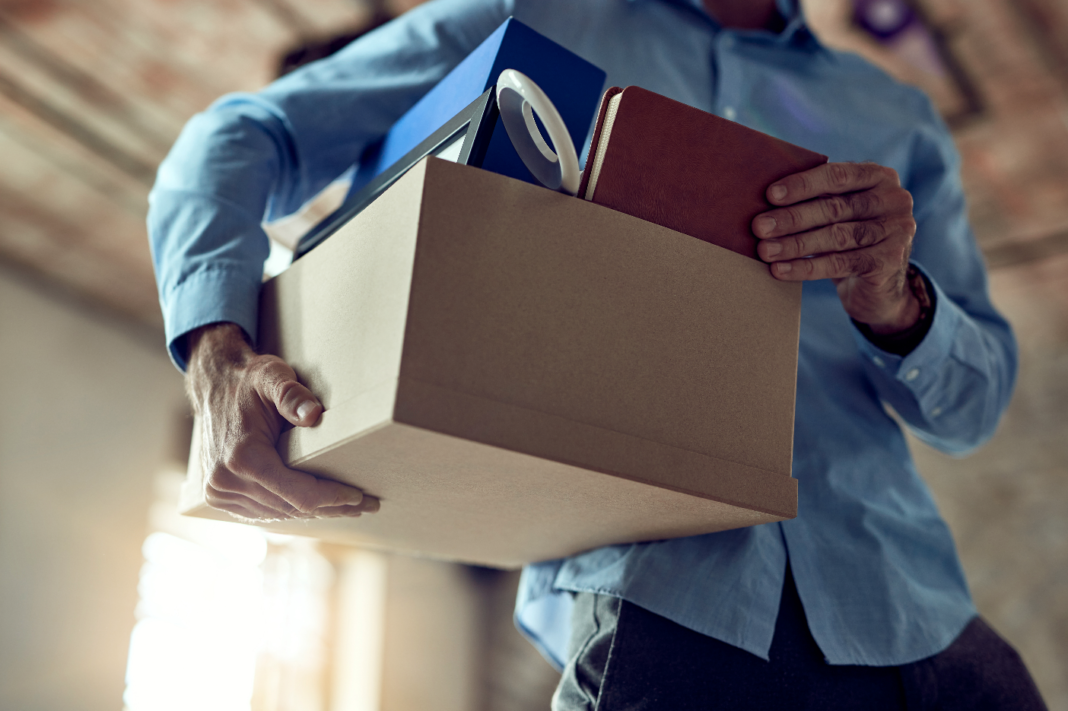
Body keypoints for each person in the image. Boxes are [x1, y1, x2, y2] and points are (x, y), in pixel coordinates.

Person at [148, 0, 1047, 707]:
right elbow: (233, 138)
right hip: (666, 617)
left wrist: (898, 298)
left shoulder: (897, 117)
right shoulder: (530, 14)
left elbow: (972, 409)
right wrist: (215, 352)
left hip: (929, 623)